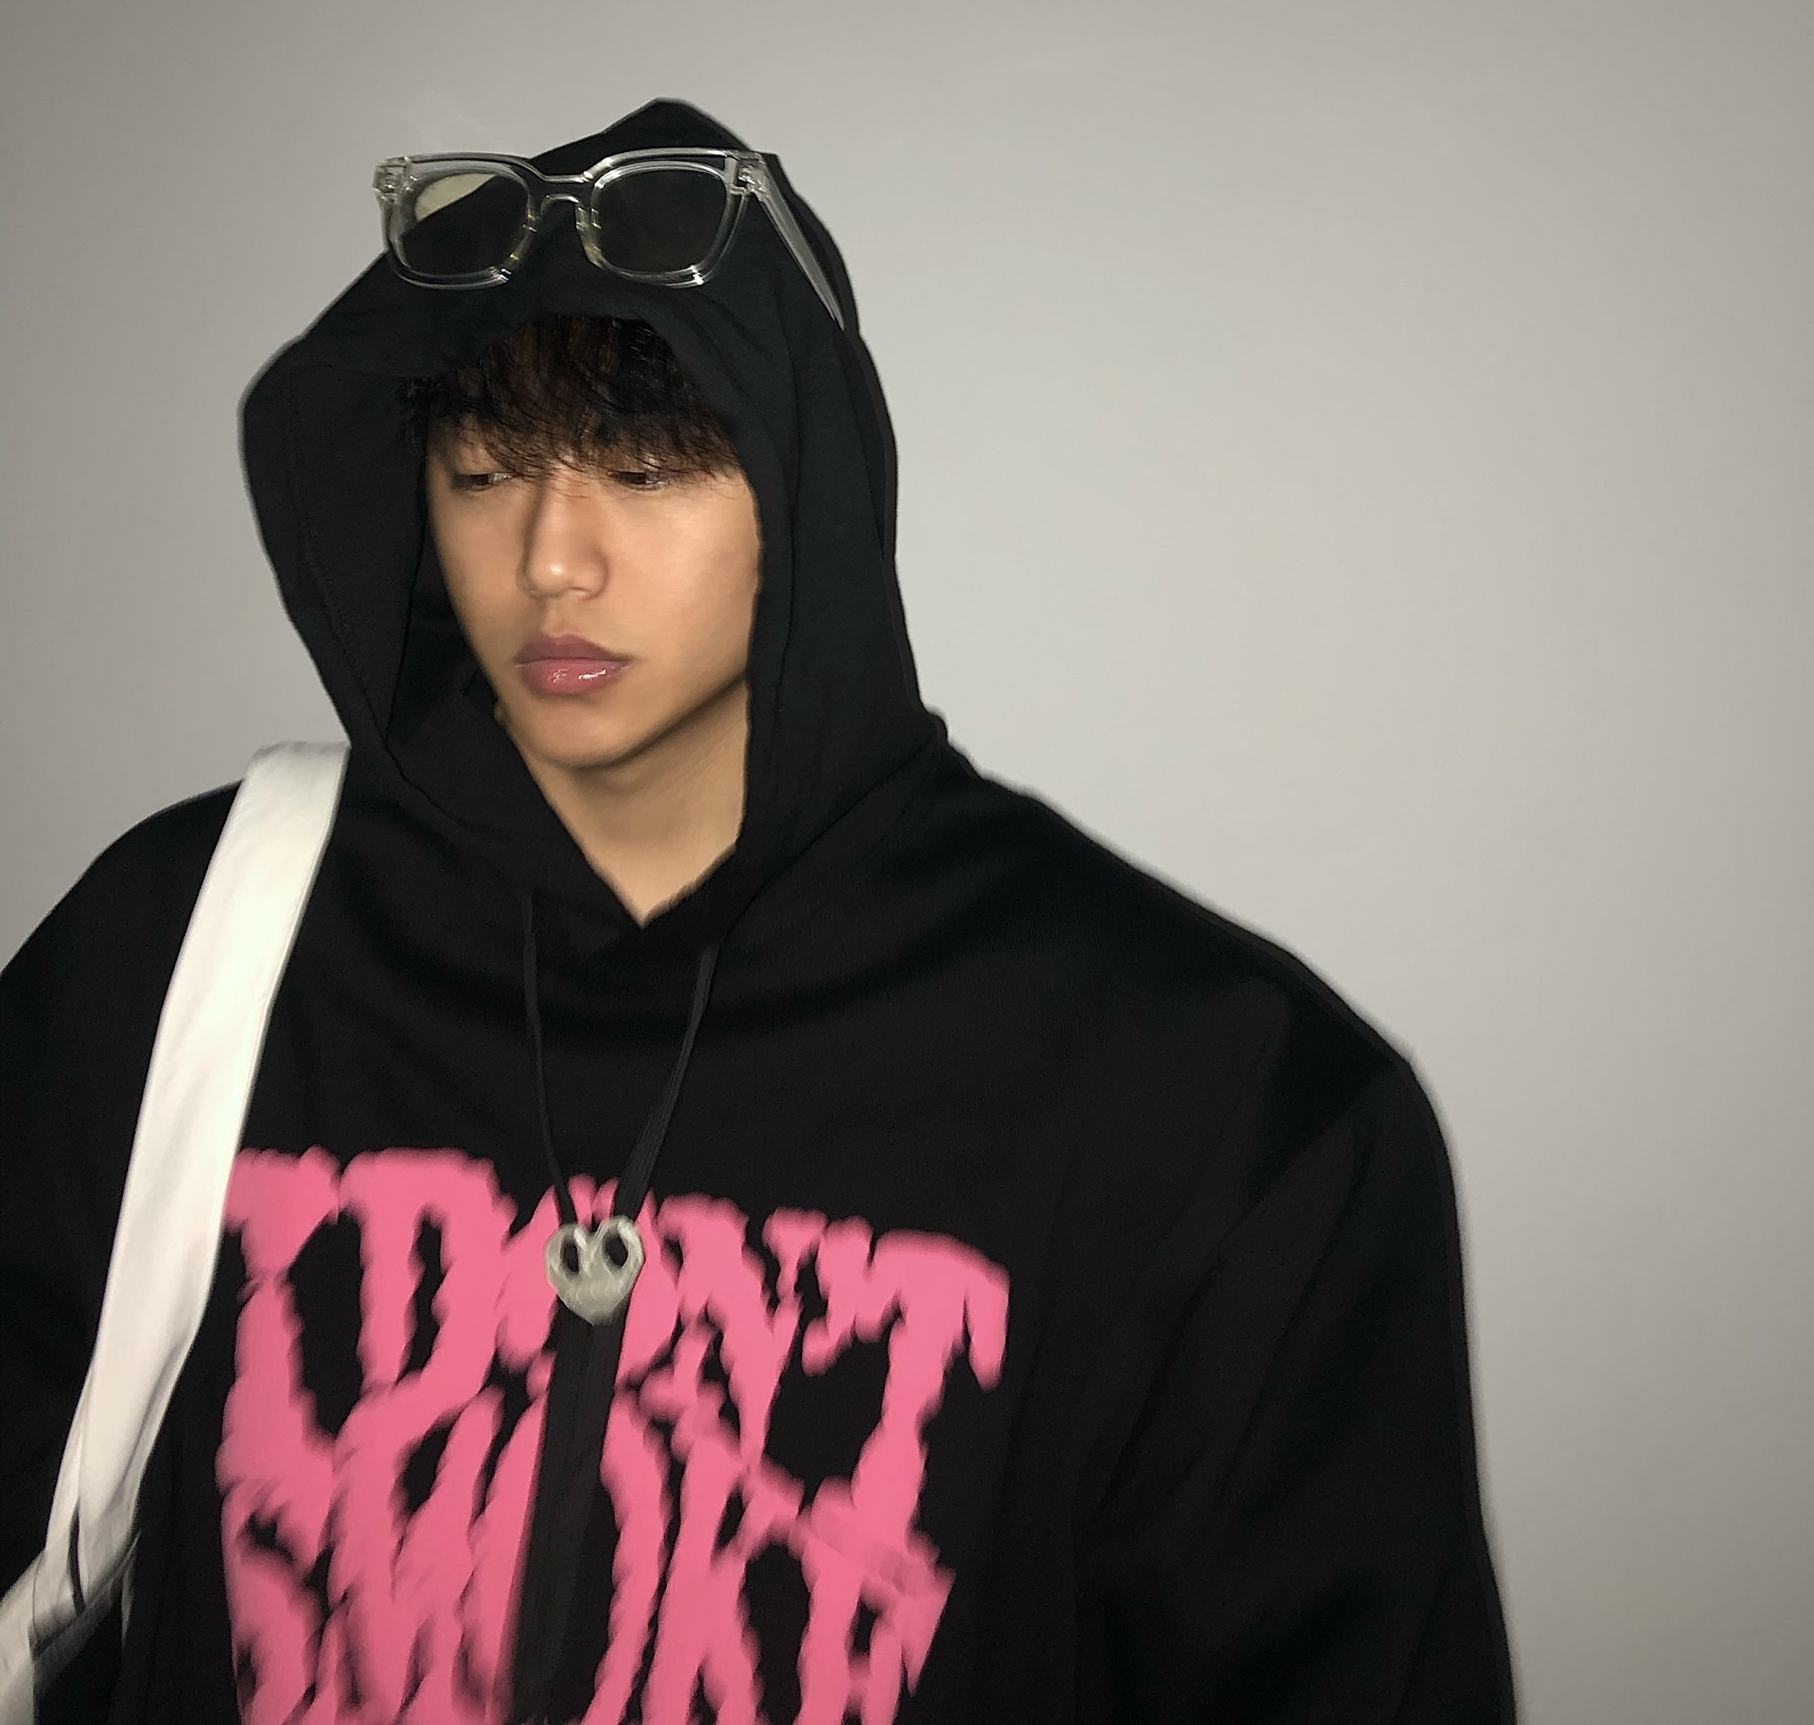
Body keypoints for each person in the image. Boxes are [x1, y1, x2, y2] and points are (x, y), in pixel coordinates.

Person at [0, 98, 1514, 1723]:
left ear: (810, 489)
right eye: (484, 467)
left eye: (648, 467)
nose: (550, 555)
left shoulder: (1209, 1098)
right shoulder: (180, 951)